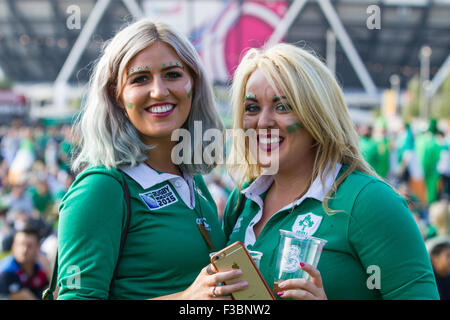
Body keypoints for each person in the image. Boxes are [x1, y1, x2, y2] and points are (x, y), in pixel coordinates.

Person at [222, 43, 439, 299]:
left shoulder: (370, 202)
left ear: (316, 115)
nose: (263, 121)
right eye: (252, 108)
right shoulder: (242, 201)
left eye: (282, 107)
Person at [56, 19, 247, 300]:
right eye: (140, 79)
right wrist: (184, 299)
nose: (159, 91)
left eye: (172, 74)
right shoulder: (101, 188)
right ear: (117, 95)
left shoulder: (194, 183)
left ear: (193, 83)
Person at [0, 226, 49, 300]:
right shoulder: (7, 272)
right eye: (21, 244)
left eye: (29, 246)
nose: (24, 250)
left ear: (38, 248)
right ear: (13, 246)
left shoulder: (39, 269)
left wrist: (48, 269)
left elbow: (54, 294)